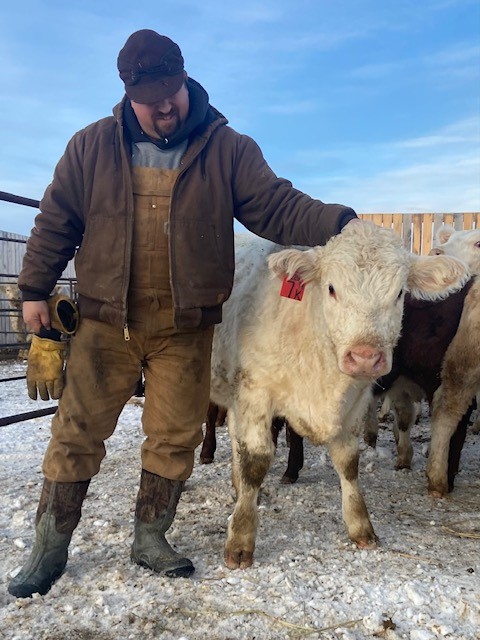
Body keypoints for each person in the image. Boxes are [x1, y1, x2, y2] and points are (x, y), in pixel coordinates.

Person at [8, 29, 359, 598]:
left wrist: (341, 222)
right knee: (76, 432)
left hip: (186, 328)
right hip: (105, 322)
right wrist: (32, 291)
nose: (165, 105)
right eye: (151, 98)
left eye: (171, 90)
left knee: (174, 435)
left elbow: (275, 204)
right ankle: (49, 548)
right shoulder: (91, 146)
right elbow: (55, 220)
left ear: (184, 79)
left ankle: (151, 537)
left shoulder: (227, 149)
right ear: (128, 94)